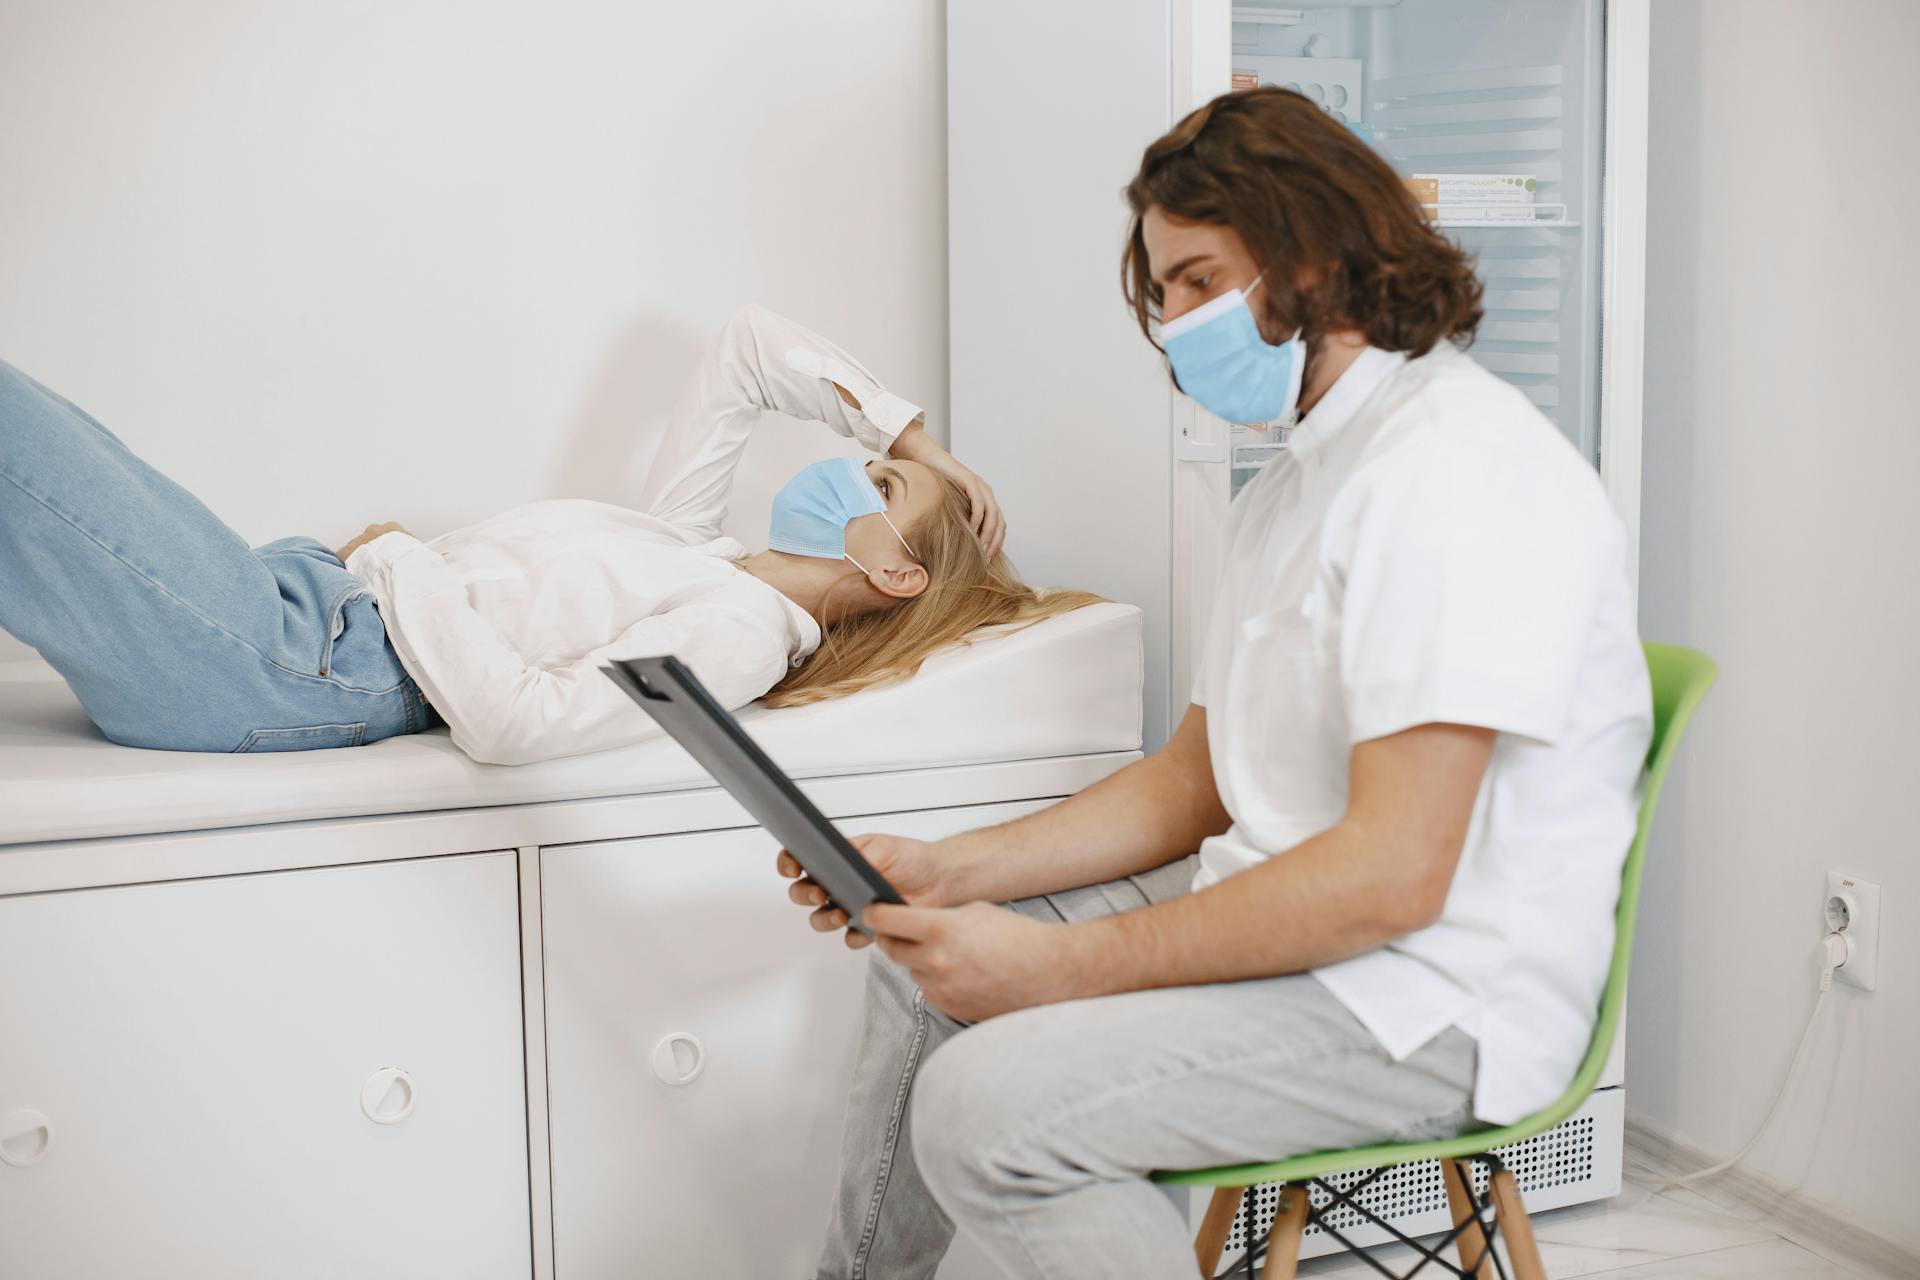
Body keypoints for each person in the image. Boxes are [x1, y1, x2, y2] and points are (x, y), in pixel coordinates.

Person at [781, 87, 1653, 1278]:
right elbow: (1195, 781)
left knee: (985, 1108)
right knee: (920, 969)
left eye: (1198, 279)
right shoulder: (1288, 492)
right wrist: (954, 869)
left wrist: (1053, 968)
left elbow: (1394, 877)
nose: (1176, 321)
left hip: (1436, 997)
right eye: (1164, 291)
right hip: (1312, 929)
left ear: (1315, 251)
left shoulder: (1456, 476)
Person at [0, 305, 1091, 763]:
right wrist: (919, 439)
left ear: (893, 570)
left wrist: (397, 553)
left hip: (293, 662)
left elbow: (517, 723)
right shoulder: (695, 551)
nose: (854, 466)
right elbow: (752, 346)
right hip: (290, 610)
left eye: (880, 479)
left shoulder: (742, 633)